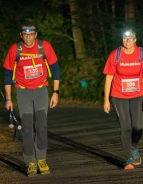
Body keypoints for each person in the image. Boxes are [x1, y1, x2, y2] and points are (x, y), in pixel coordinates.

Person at [3, 21, 60, 176]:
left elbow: (55, 69)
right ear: (21, 35)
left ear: (36, 34)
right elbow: (7, 74)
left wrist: (56, 92)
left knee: (41, 126)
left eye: (31, 34)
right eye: (25, 34)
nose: (28, 37)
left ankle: (41, 159)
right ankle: (30, 162)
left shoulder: (44, 46)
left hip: (41, 90)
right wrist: (8, 99)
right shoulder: (15, 49)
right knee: (27, 128)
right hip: (23, 93)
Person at [103, 29, 143, 170]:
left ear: (135, 40)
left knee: (138, 127)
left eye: (130, 39)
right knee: (126, 127)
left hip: (138, 95)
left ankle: (134, 146)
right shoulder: (115, 55)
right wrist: (106, 100)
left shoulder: (142, 54)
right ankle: (129, 158)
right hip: (119, 95)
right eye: (125, 39)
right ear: (122, 40)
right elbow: (109, 78)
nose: (127, 41)